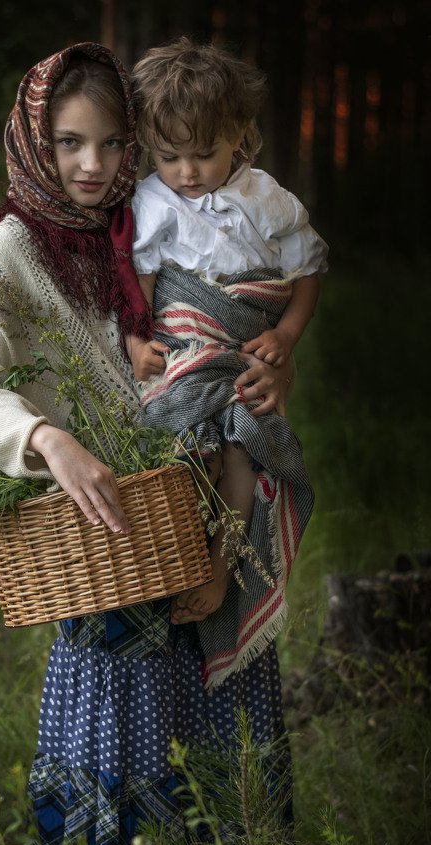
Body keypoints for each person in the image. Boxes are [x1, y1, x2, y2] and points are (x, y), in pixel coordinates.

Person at [0, 42, 293, 845]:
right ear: (36, 142)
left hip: (205, 519)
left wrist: (272, 362)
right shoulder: (7, 259)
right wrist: (46, 439)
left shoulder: (160, 221)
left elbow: (238, 320)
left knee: (218, 731)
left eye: (109, 143)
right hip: (110, 542)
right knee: (124, 725)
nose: (91, 165)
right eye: (68, 142)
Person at [124, 38, 327, 686]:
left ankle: (219, 566)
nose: (187, 171)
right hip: (185, 341)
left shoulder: (267, 198)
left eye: (204, 153)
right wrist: (137, 342)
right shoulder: (151, 202)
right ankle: (167, 555)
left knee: (242, 440)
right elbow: (145, 285)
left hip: (242, 342)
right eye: (170, 155)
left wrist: (287, 335)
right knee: (177, 436)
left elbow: (305, 271)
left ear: (240, 134)